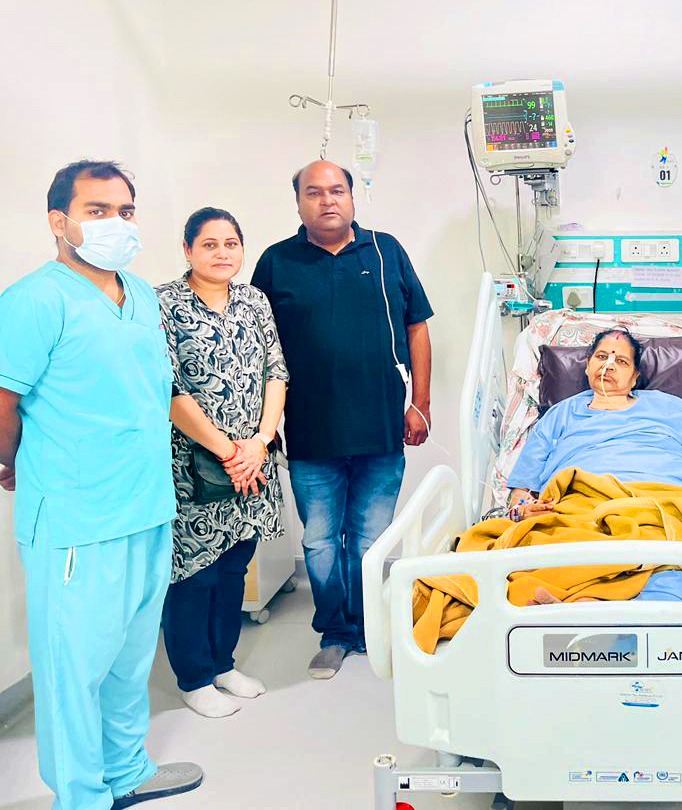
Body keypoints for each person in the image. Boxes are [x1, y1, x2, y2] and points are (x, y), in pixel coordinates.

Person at [0, 160, 202, 808]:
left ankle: (126, 772)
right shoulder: (33, 301)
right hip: (76, 520)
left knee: (129, 660)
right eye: (97, 210)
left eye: (125, 210)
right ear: (58, 221)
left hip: (146, 505)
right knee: (73, 672)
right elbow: (3, 402)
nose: (116, 223)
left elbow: (150, 389)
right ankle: (82, 797)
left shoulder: (139, 293)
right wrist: (12, 462)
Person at [252, 160, 433, 680]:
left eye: (337, 190)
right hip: (310, 431)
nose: (327, 200)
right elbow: (259, 347)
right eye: (314, 192)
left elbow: (417, 328)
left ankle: (369, 627)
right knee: (319, 541)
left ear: (352, 198)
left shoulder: (385, 250)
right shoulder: (276, 263)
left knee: (370, 540)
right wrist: (263, 426)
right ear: (298, 203)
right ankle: (335, 632)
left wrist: (421, 404)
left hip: (382, 427)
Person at [157, 207, 289, 718]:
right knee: (194, 574)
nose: (222, 253)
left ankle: (223, 665)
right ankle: (194, 678)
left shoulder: (254, 300)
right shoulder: (164, 304)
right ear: (187, 250)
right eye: (209, 244)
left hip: (253, 461)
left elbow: (276, 372)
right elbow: (169, 389)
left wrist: (260, 441)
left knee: (235, 566)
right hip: (194, 467)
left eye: (231, 243)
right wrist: (228, 450)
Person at [506, 328, 682, 521]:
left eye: (621, 361)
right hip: (579, 511)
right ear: (587, 365)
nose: (608, 366)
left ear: (635, 376)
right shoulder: (559, 415)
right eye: (601, 357)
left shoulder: (667, 407)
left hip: (667, 507)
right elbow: (521, 492)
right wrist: (521, 511)